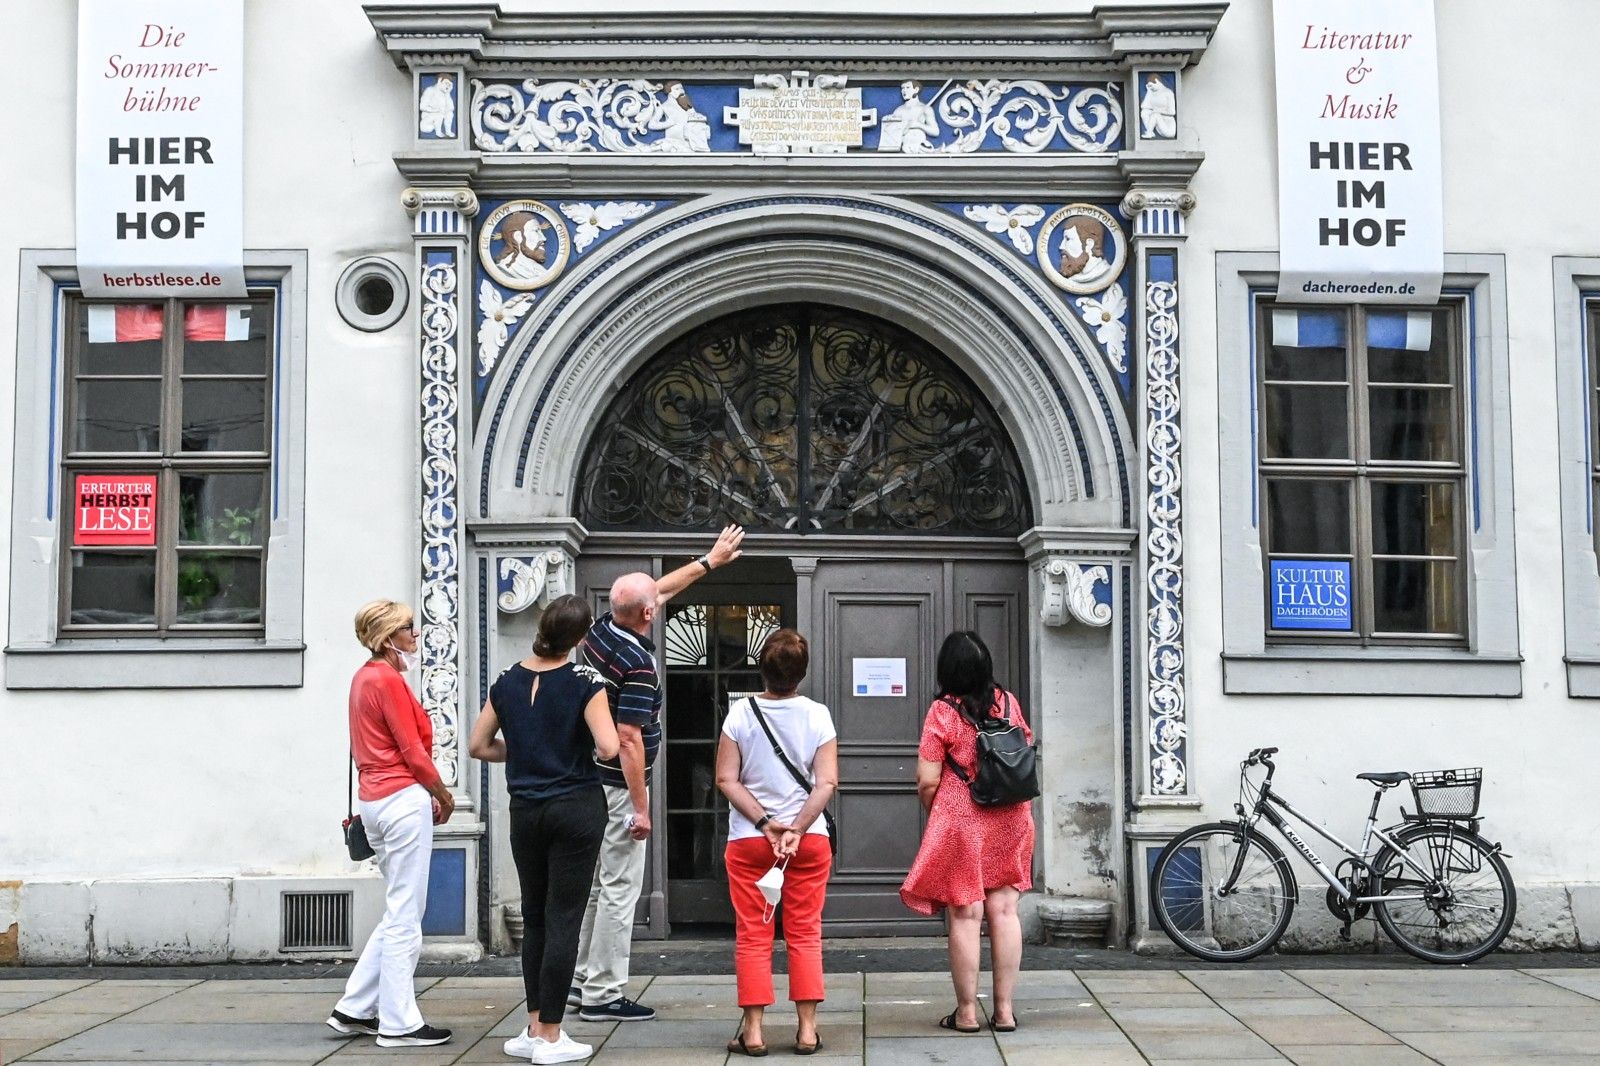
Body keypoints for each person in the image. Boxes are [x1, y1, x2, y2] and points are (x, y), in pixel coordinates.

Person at [570, 524, 746, 1022]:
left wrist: (709, 562)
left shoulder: (602, 630)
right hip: (619, 787)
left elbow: (657, 591)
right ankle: (603, 993)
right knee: (620, 889)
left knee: (601, 886)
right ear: (647, 615)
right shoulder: (639, 663)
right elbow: (628, 738)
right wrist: (641, 807)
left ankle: (582, 981)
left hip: (593, 780)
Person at [470, 595, 620, 1065]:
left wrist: (525, 751)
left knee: (534, 916)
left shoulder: (506, 680)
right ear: (579, 638)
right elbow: (609, 747)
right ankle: (552, 1037)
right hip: (575, 808)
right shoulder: (586, 681)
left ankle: (535, 1025)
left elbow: (478, 746)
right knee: (564, 918)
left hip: (526, 811)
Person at [326, 600, 455, 1048]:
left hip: (374, 802)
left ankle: (355, 1007)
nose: (415, 634)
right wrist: (443, 794)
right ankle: (399, 1023)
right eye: (407, 628)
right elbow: (412, 752)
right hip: (401, 800)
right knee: (406, 914)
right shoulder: (388, 680)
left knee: (399, 907)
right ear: (387, 638)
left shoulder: (363, 677)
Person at [900, 631, 1035, 1036]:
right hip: (1012, 815)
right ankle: (1005, 1011)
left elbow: (927, 779)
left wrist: (940, 811)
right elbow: (1024, 746)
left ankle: (966, 1013)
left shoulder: (943, 710)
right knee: (1005, 911)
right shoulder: (1007, 702)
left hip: (963, 818)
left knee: (966, 912)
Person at [715, 629, 838, 1056]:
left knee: (753, 933)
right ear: (801, 673)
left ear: (762, 670)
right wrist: (797, 829)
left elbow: (726, 779)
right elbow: (826, 783)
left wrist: (767, 823)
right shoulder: (818, 715)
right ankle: (807, 1031)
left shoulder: (740, 714)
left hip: (750, 840)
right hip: (808, 842)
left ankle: (753, 1032)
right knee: (805, 932)